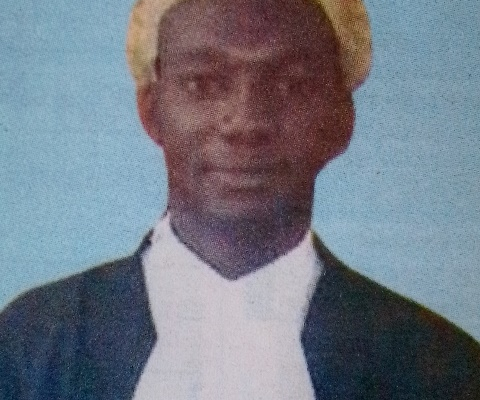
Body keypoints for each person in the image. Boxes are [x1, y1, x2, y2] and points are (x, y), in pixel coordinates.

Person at [1, 0, 479, 398]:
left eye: (292, 85)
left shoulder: (440, 367)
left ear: (341, 120)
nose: (246, 122)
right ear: (151, 111)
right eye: (203, 83)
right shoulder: (28, 346)